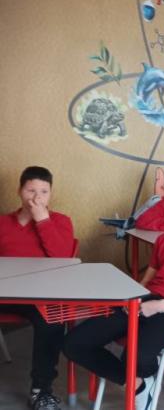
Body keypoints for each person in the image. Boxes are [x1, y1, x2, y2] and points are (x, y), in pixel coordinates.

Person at [64, 187, 164, 410]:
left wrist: (159, 306)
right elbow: (147, 279)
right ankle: (138, 385)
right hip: (144, 301)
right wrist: (134, 298)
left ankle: (141, 372)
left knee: (134, 357)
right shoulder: (163, 240)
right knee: (74, 343)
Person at [0, 166, 74, 410]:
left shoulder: (61, 222)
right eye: (31, 190)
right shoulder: (3, 223)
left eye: (44, 191)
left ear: (51, 194)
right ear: (19, 191)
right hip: (5, 293)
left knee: (53, 320)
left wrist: (42, 220)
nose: (37, 197)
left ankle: (41, 390)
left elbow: (63, 258)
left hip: (40, 296)